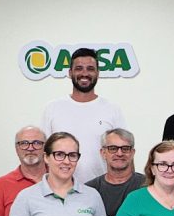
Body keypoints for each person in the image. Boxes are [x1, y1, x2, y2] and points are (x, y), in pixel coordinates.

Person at [41, 47, 126, 181]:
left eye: (90, 69)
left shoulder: (112, 109)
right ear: (70, 72)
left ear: (98, 73)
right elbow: (44, 155)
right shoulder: (52, 108)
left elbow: (125, 155)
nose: (84, 73)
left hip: (103, 191)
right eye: (79, 68)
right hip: (60, 190)